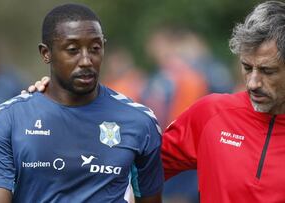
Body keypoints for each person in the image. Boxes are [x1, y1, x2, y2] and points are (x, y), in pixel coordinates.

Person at [27, 1, 285, 202]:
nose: (252, 82)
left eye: (267, 71)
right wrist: (63, 98)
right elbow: (127, 162)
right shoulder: (211, 114)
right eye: (246, 67)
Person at [0, 3, 163, 203]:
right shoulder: (9, 120)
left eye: (95, 48)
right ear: (46, 53)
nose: (86, 60)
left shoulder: (139, 122)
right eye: (73, 50)